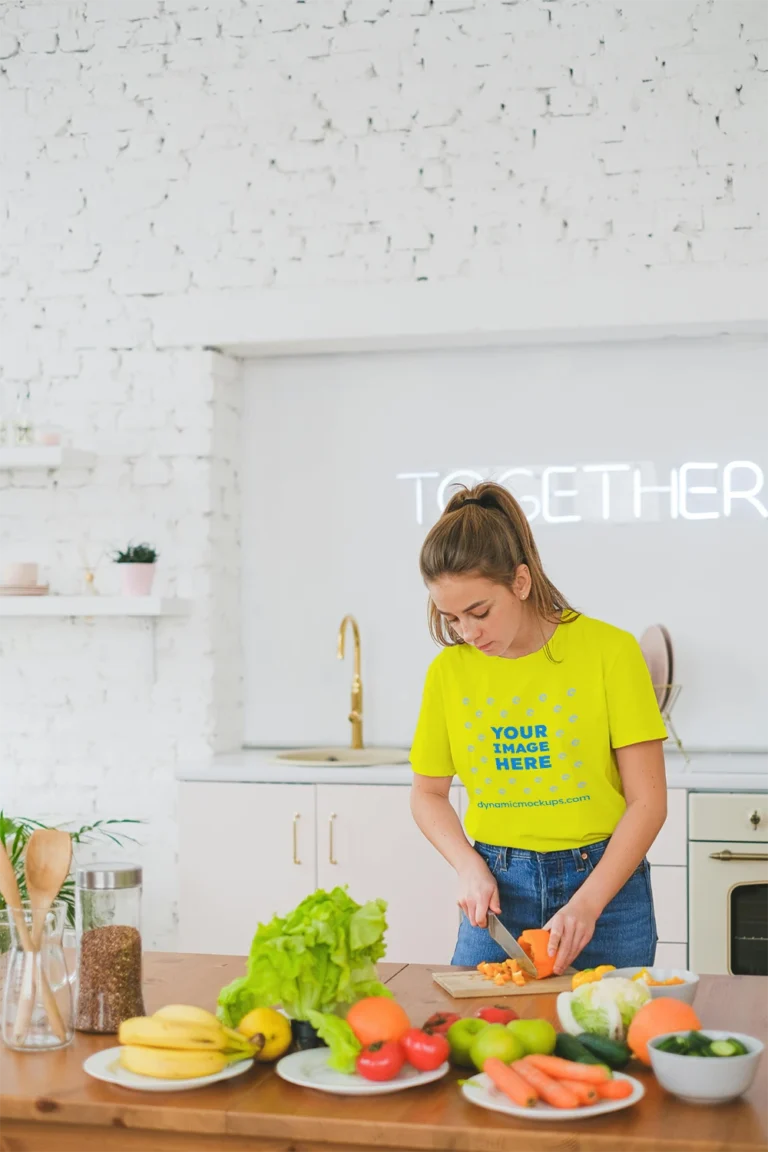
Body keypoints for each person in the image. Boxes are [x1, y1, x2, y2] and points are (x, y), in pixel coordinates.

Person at [409, 481, 667, 975]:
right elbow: (428, 794)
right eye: (452, 617)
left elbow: (649, 802)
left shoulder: (609, 652)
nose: (467, 632)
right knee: (481, 1041)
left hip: (606, 889)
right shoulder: (449, 673)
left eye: (479, 612)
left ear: (521, 582)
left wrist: (588, 904)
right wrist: (467, 866)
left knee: (607, 1041)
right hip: (499, 890)